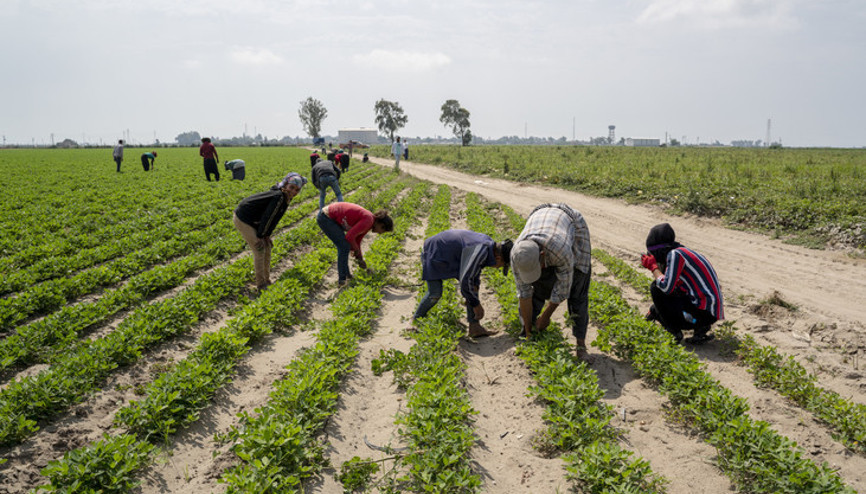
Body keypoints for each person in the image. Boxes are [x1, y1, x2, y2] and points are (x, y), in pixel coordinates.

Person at [511, 203, 592, 358]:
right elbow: (524, 294)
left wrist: (546, 316)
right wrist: (528, 332)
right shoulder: (517, 255)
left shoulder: (560, 250)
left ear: (542, 255)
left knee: (577, 289)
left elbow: (563, 287)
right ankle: (526, 332)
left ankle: (581, 346)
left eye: (538, 266)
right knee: (538, 286)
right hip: (541, 216)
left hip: (573, 223)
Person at [414, 230, 513, 338]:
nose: (498, 268)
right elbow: (466, 281)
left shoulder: (488, 246)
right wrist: (476, 304)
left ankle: (474, 327)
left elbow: (473, 277)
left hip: (450, 255)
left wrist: (474, 294)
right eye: (501, 265)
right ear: (498, 258)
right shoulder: (480, 251)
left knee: (473, 287)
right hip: (434, 252)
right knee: (435, 293)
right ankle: (416, 319)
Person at [641, 223, 724, 344]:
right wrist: (655, 309)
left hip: (701, 315)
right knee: (671, 294)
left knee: (656, 288)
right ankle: (700, 328)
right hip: (709, 314)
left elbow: (666, 288)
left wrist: (653, 267)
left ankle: (674, 332)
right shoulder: (685, 252)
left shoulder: (675, 255)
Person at [234, 172, 307, 290]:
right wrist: (260, 236)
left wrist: (266, 235)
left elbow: (275, 218)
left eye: (297, 190)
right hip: (243, 218)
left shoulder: (286, 197)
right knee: (259, 248)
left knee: (267, 246)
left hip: (254, 220)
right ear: (285, 185)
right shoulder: (279, 197)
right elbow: (268, 217)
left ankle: (266, 279)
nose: (294, 192)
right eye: (292, 187)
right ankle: (261, 284)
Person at [317, 202, 393, 287]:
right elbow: (349, 236)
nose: (380, 233)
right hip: (326, 217)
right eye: (383, 231)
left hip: (329, 217)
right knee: (344, 246)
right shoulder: (368, 220)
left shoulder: (369, 222)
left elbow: (357, 241)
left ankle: (347, 275)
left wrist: (360, 258)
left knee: (344, 246)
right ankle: (342, 280)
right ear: (381, 225)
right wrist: (356, 249)